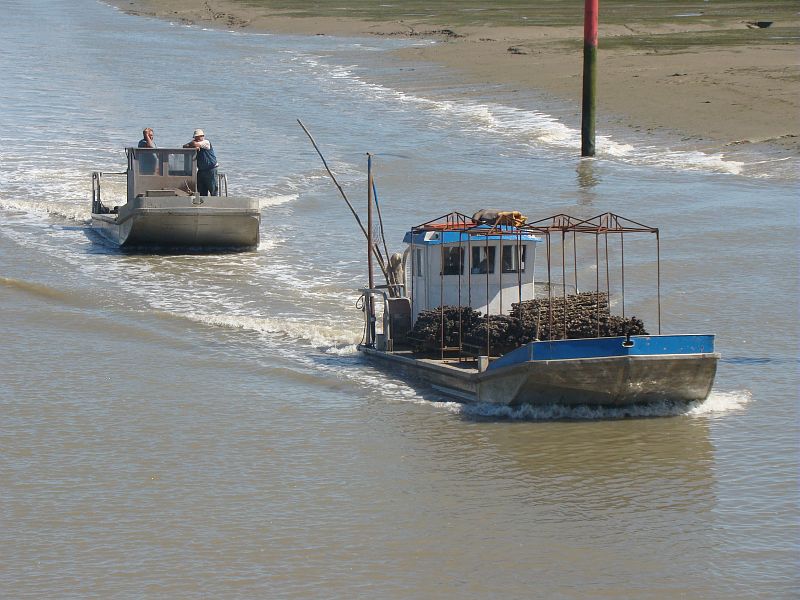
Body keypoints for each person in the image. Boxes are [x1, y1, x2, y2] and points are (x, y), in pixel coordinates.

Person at [183, 128, 219, 196]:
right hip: (201, 170)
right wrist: (193, 146)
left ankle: (215, 204)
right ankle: (203, 204)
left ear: (202, 136)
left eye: (198, 137)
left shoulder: (206, 142)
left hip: (211, 169)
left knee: (213, 190)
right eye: (195, 137)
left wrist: (193, 144)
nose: (196, 139)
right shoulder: (196, 143)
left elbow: (194, 144)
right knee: (201, 190)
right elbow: (184, 146)